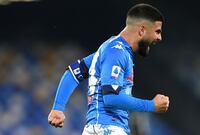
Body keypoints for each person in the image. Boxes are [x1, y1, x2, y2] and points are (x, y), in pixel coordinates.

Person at [48, 3, 169, 135]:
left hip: (100, 128)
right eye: (157, 31)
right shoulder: (116, 52)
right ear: (142, 30)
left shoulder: (109, 50)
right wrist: (151, 105)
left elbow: (73, 72)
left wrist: (57, 108)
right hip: (108, 129)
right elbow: (111, 98)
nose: (159, 38)